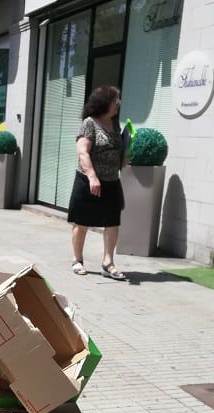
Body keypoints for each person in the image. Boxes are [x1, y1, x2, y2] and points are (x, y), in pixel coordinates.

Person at [68, 85, 127, 280]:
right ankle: (77, 260)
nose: (118, 104)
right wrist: (92, 176)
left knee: (112, 222)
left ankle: (108, 263)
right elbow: (82, 152)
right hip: (88, 181)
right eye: (115, 100)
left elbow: (116, 150)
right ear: (105, 102)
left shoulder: (115, 124)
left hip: (111, 181)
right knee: (82, 221)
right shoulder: (89, 123)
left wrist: (125, 157)